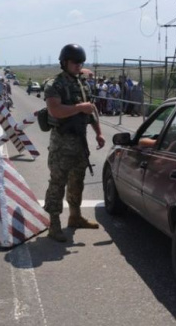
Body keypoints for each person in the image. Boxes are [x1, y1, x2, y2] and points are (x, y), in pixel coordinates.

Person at [43, 43, 106, 242]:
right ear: (64, 62)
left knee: (77, 181)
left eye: (81, 62)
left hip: (80, 143)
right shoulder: (55, 84)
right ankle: (54, 225)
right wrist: (80, 107)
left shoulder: (82, 83)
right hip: (62, 144)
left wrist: (99, 133)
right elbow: (56, 111)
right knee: (57, 183)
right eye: (75, 62)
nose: (79, 65)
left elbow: (91, 112)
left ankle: (75, 216)